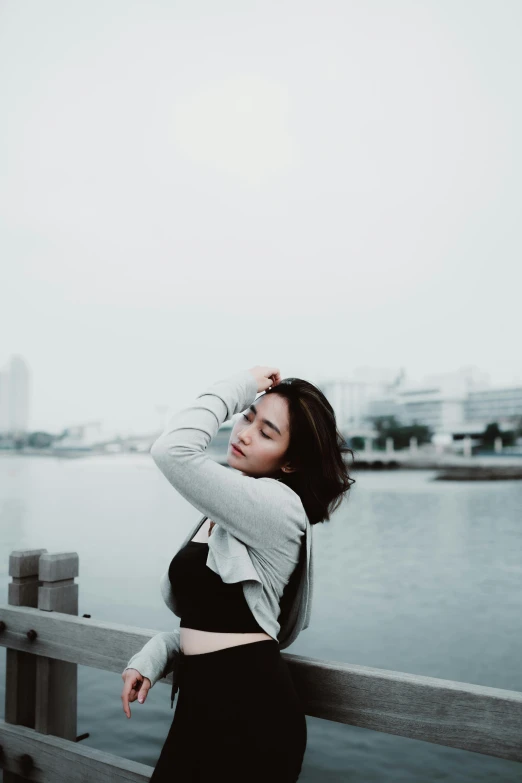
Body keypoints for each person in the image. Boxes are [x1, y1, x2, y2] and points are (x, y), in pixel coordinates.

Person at [121, 365, 355, 782]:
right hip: (201, 705)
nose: (244, 433)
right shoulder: (228, 507)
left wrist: (243, 385)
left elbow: (172, 450)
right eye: (247, 416)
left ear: (290, 463)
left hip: (250, 712)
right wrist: (155, 655)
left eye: (267, 433)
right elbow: (218, 620)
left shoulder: (276, 506)